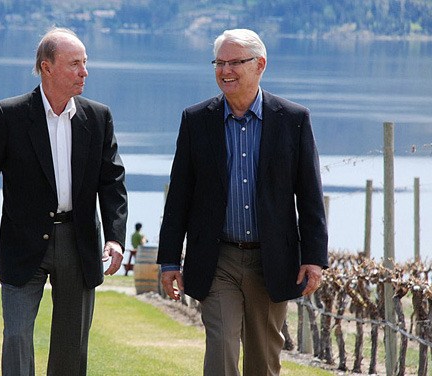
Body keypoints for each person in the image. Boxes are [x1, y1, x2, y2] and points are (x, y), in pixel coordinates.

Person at [0, 27, 128, 376]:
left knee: (70, 344)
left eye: (85, 63)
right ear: (47, 68)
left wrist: (115, 237)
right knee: (16, 335)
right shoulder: (10, 115)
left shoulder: (98, 117)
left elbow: (112, 182)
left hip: (79, 241)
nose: (84, 72)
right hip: (22, 242)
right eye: (75, 64)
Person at [157, 29, 328, 376]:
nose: (225, 70)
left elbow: (310, 195)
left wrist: (314, 258)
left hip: (273, 260)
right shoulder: (196, 120)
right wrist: (169, 260)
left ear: (260, 64)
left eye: (235, 62)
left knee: (263, 359)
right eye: (219, 63)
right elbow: (180, 196)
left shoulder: (293, 120)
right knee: (220, 349)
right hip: (217, 257)